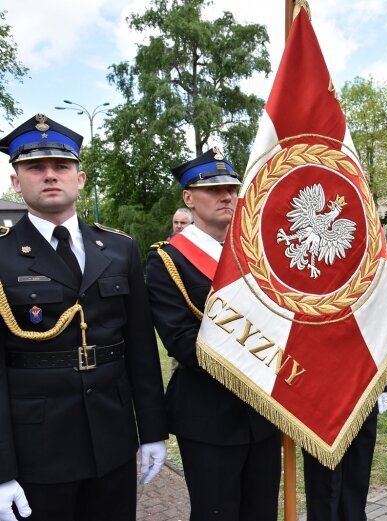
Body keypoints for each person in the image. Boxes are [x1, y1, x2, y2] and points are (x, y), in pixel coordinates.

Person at [0, 114, 168, 521]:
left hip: (111, 438)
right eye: (35, 167)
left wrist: (152, 433)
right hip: (36, 448)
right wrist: (2, 471)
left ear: (81, 179)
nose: (50, 175)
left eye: (61, 166)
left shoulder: (118, 248)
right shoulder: (2, 255)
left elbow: (142, 351)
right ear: (15, 182)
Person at [145, 148, 281, 520]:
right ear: (188, 198)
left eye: (232, 189)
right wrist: (265, 356)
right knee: (216, 513)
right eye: (213, 189)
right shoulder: (167, 260)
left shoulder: (258, 253)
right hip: (209, 414)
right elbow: (182, 342)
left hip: (264, 411)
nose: (226, 196)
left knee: (262, 512)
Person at [302, 388, 387, 520]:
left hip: (364, 392)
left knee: (357, 477)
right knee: (324, 486)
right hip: (320, 397)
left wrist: (382, 385)